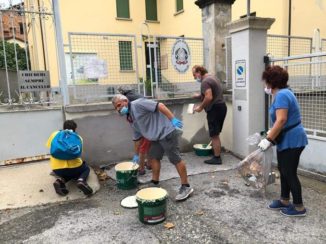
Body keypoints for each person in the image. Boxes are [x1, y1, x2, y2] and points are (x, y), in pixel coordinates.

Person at [112, 94, 194, 201]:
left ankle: (186, 186)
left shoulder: (139, 103)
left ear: (125, 101)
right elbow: (137, 138)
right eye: (116, 108)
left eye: (119, 105)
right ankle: (155, 182)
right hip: (155, 137)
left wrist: (172, 119)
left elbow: (160, 106)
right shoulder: (130, 117)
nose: (119, 109)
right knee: (154, 158)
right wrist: (136, 154)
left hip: (166, 132)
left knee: (175, 159)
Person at [258, 65, 308, 217]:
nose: (264, 84)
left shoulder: (281, 95)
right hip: (287, 138)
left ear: (271, 81)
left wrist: (268, 139)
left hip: (292, 139)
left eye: (265, 80)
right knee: (284, 170)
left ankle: (299, 207)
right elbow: (281, 122)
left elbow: (281, 120)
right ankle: (284, 200)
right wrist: (272, 133)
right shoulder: (283, 93)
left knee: (289, 172)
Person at [46, 120, 93, 196]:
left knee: (66, 174)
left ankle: (60, 181)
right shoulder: (78, 137)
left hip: (57, 169)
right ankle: (81, 180)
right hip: (75, 168)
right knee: (86, 168)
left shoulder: (54, 134)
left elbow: (49, 147)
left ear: (63, 127)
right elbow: (79, 153)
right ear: (75, 128)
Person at [192, 65, 227, 165]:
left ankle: (217, 158)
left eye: (194, 75)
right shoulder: (213, 77)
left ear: (199, 72)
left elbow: (209, 97)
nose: (194, 77)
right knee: (216, 133)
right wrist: (199, 96)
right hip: (222, 107)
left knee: (214, 135)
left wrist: (200, 107)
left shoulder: (205, 82)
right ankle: (216, 152)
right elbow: (213, 93)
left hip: (214, 109)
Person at [118, 87, 152, 175]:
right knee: (146, 146)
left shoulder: (129, 99)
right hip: (144, 124)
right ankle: (148, 164)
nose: (118, 109)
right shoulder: (132, 96)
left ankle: (141, 169)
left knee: (143, 148)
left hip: (145, 125)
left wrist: (136, 153)